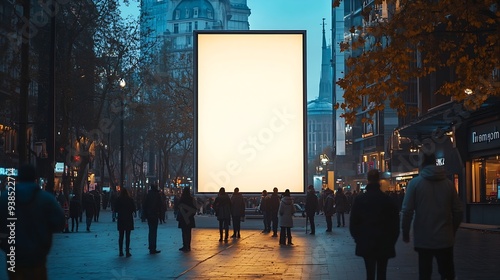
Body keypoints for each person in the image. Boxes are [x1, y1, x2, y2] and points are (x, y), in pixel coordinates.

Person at [401, 152, 463, 280]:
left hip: (423, 238)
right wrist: (452, 230)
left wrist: (405, 232)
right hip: (445, 237)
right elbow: (458, 211)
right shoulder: (448, 184)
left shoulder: (415, 183)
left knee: (425, 272)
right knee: (447, 273)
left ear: (423, 164)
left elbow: (407, 211)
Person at [0, 164, 65, 279]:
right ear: (35, 178)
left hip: (14, 256)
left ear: (18, 177)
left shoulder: (5, 199)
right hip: (38, 255)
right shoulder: (46, 199)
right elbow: (59, 223)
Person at [350, 169, 400, 280]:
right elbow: (395, 224)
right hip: (384, 242)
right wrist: (392, 241)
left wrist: (358, 239)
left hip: (366, 241)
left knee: (370, 272)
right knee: (382, 272)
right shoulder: (387, 200)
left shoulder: (360, 200)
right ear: (379, 180)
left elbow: (353, 223)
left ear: (368, 180)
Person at [115, 188, 136, 257]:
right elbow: (133, 208)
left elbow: (116, 209)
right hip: (128, 218)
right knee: (127, 236)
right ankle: (127, 251)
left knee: (121, 236)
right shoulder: (130, 200)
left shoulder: (118, 199)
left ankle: (120, 251)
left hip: (121, 218)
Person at [143, 185, 162, 254]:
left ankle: (151, 246)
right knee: (154, 231)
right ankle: (153, 247)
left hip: (149, 215)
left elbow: (144, 205)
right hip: (155, 214)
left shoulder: (148, 195)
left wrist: (145, 214)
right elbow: (160, 205)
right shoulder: (157, 195)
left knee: (151, 231)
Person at [177, 187, 197, 252]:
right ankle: (188, 245)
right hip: (189, 218)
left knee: (184, 232)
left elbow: (178, 207)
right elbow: (194, 209)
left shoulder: (182, 199)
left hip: (183, 218)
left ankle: (184, 245)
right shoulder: (191, 199)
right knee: (188, 232)